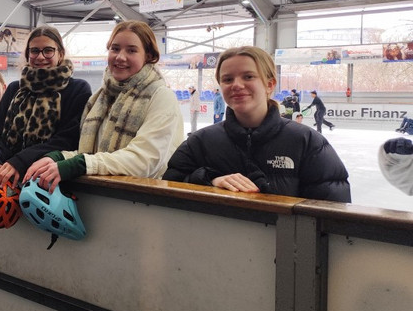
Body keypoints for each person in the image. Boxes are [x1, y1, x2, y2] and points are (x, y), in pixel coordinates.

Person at [163, 46, 351, 202]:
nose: (236, 84)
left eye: (248, 76)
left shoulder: (308, 142)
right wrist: (210, 179)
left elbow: (333, 213)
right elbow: (169, 188)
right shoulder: (200, 141)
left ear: (270, 85)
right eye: (227, 79)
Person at [23, 21, 184, 191]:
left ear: (149, 56)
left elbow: (144, 161)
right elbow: (92, 154)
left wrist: (78, 164)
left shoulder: (161, 97)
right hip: (103, 198)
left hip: (145, 200)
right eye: (115, 49)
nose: (120, 57)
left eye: (131, 50)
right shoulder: (100, 98)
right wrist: (57, 157)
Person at [0, 25, 91, 192]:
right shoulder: (14, 90)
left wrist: (20, 160)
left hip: (52, 184)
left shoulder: (77, 89)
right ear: (27, 55)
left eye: (48, 51)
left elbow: (67, 139)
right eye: (34, 51)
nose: (40, 57)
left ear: (60, 53)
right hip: (9, 181)